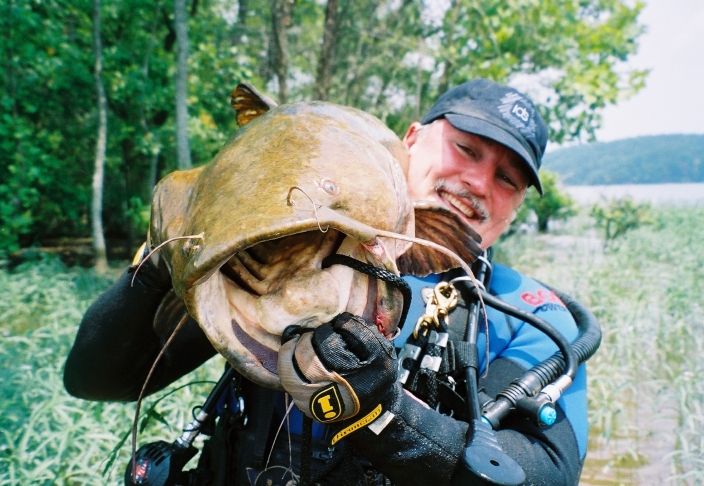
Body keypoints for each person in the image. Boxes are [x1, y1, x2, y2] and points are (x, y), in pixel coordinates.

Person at [64, 79, 589, 485]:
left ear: (517, 205)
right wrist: (163, 260)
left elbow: (542, 468)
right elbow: (97, 379)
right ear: (411, 139)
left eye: (508, 179)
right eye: (467, 150)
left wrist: (387, 418)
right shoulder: (281, 243)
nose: (478, 182)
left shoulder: (530, 313)